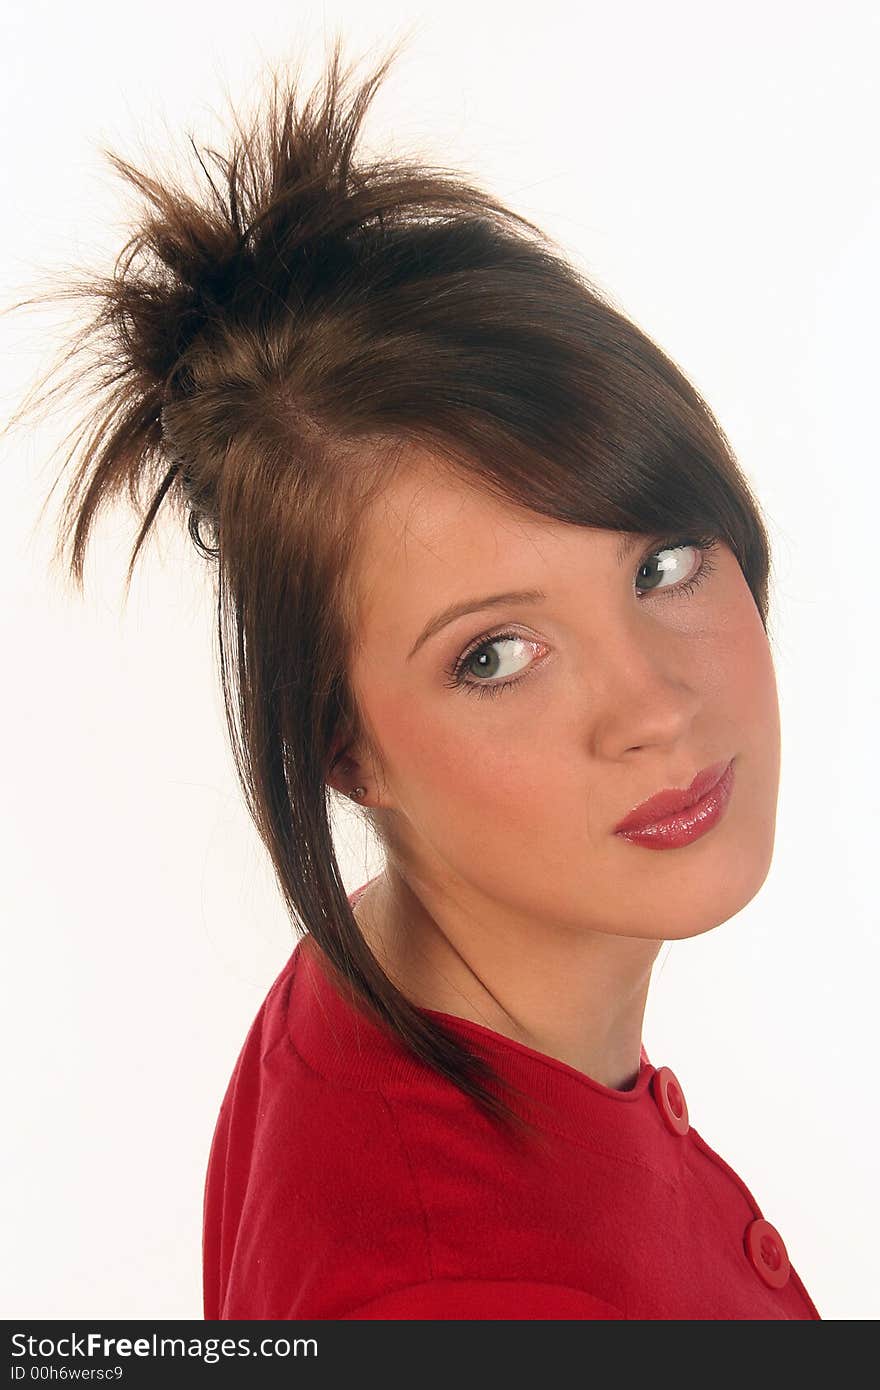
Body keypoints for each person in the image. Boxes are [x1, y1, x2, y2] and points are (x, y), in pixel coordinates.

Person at [10, 33, 820, 1320]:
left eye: (661, 562)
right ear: (345, 745)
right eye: (492, 655)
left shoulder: (378, 978)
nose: (656, 707)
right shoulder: (464, 1295)